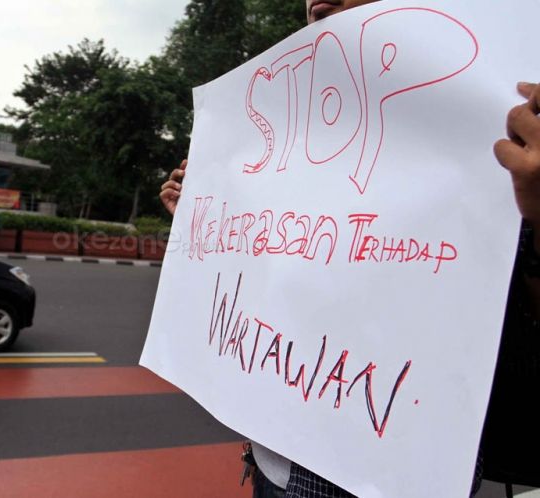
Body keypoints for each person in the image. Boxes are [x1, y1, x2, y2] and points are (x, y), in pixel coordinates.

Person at [159, 1, 540, 496]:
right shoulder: (297, 128)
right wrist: (211, 216)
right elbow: (283, 261)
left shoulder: (503, 129)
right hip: (272, 461)